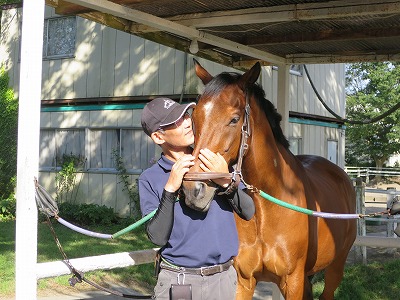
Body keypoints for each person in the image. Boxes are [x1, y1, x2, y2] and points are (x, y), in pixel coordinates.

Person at [139, 97, 255, 300]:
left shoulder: (215, 163)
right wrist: (170, 188)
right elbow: (157, 237)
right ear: (158, 137)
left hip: (223, 279)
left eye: (185, 115)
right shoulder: (150, 178)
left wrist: (225, 181)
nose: (185, 122)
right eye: (174, 121)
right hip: (180, 281)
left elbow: (248, 211)